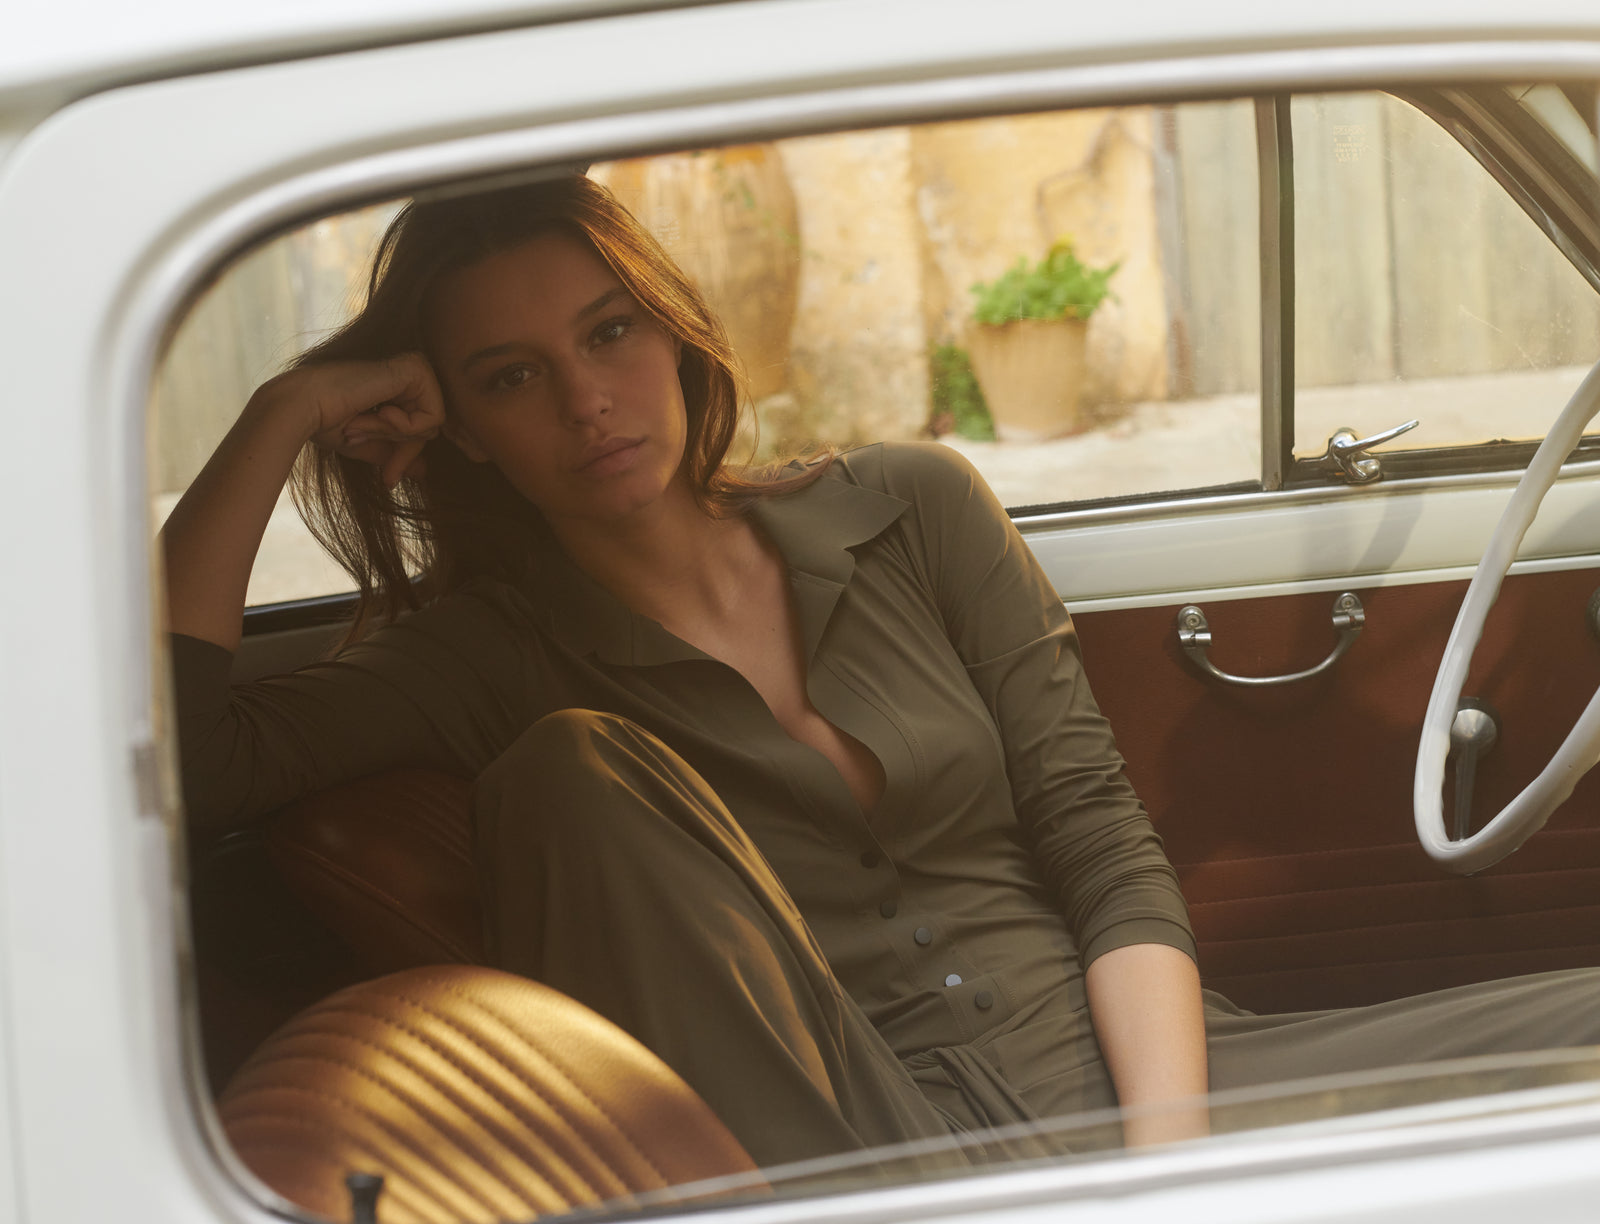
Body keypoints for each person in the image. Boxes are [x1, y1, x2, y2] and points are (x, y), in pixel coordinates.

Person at [163, 174, 1600, 1174]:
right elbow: (181, 763)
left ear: (670, 331)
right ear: (461, 427)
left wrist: (1162, 1168)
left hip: (1133, 1084)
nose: (589, 399)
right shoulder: (485, 655)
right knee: (566, 769)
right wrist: (281, 414)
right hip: (846, 1137)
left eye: (608, 333)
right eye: (512, 375)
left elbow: (1100, 841)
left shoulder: (915, 507)